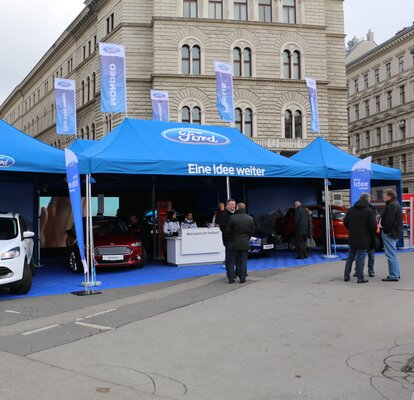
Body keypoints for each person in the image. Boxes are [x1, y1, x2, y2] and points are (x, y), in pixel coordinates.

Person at [343, 192, 377, 283]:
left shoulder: (351, 210)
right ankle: (360, 277)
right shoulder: (369, 211)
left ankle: (346, 276)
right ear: (368, 200)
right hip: (364, 238)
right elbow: (373, 226)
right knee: (361, 257)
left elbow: (345, 222)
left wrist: (352, 229)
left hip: (352, 237)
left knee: (350, 257)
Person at [224, 203, 255, 284]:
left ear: (237, 208)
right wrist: (246, 238)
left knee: (231, 261)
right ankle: (242, 278)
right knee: (243, 262)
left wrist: (227, 241)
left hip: (233, 243)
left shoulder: (232, 218)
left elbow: (227, 231)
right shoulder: (250, 218)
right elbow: (252, 232)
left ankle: (231, 279)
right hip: (244, 243)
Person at [380, 189, 403, 282]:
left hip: (390, 233)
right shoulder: (395, 204)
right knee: (393, 254)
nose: (383, 197)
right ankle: (396, 273)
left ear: (390, 196)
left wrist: (385, 230)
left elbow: (389, 221)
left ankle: (393, 275)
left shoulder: (391, 205)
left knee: (390, 255)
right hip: (394, 232)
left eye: (385, 195)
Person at [219, 199, 237, 279]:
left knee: (235, 257)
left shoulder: (234, 213)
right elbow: (223, 228)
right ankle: (230, 274)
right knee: (229, 258)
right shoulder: (224, 214)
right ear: (228, 205)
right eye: (232, 204)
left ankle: (235, 273)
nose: (234, 206)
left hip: (235, 240)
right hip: (229, 240)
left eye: (235, 204)